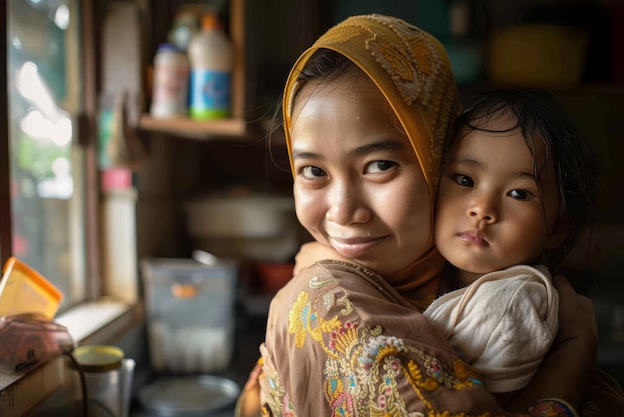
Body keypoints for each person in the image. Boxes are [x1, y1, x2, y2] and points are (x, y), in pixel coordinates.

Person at [236, 14, 600, 417]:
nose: (343, 211)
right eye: (314, 171)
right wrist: (570, 363)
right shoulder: (324, 298)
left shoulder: (509, 306)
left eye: (379, 166)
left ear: (436, 157)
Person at [422, 88, 596, 398]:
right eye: (464, 179)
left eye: (519, 194)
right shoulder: (433, 275)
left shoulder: (510, 305)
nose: (482, 208)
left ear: (558, 229)